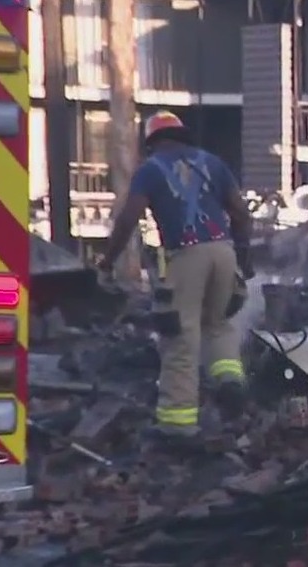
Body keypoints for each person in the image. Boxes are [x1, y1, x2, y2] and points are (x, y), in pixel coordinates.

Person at [97, 110, 255, 441]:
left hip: (186, 254)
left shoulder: (151, 169)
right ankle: (230, 380)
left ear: (151, 141)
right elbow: (240, 212)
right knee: (218, 324)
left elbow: (129, 217)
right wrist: (243, 255)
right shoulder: (212, 162)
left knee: (181, 337)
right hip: (224, 251)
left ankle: (177, 424)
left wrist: (108, 260)